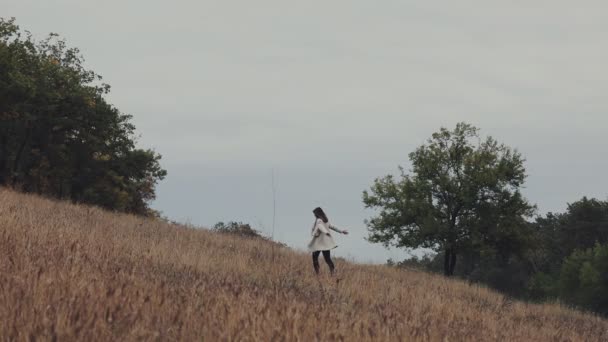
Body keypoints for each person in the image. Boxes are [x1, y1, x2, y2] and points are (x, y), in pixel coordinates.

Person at [308, 207, 348, 275]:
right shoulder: (325, 220)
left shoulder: (319, 220)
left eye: (315, 214)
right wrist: (341, 231)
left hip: (318, 244)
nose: (314, 215)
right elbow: (332, 227)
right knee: (327, 259)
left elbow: (320, 227)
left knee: (315, 259)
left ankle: (317, 273)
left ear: (317, 214)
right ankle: (333, 273)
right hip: (325, 244)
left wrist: (325, 232)